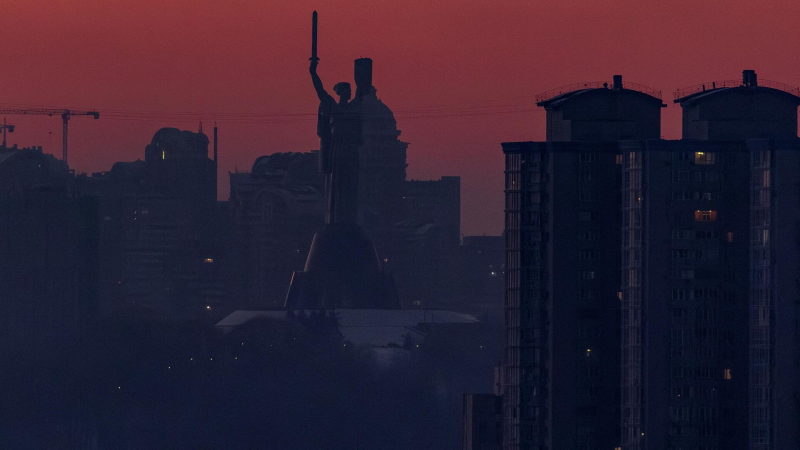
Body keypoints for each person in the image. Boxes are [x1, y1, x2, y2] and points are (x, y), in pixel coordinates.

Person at [310, 60, 364, 225]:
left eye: (351, 90)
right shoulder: (332, 106)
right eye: (348, 90)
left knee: (351, 187)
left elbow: (362, 89)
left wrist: (363, 70)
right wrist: (313, 72)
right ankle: (336, 219)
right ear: (342, 92)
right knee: (338, 186)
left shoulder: (354, 107)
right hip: (338, 152)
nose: (350, 92)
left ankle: (349, 219)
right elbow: (320, 91)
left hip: (351, 152)